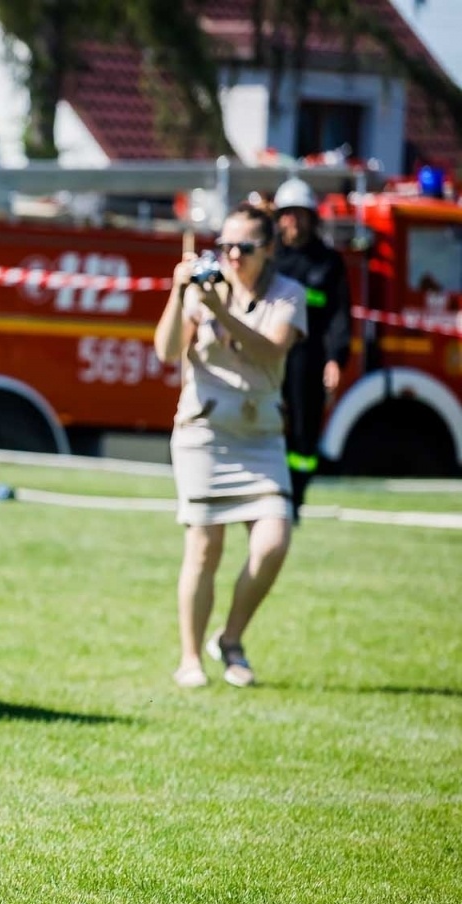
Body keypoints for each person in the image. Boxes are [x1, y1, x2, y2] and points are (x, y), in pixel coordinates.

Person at [154, 205, 307, 689]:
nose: (232, 256)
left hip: (260, 436)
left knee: (273, 542)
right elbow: (165, 350)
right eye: (225, 247)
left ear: (268, 250)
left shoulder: (288, 295)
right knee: (204, 547)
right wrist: (181, 296)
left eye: (243, 247)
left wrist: (221, 314)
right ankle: (190, 658)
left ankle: (231, 638)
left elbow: (271, 349)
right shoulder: (204, 288)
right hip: (205, 433)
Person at [271, 177, 351, 516]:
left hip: (309, 357)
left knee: (305, 431)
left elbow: (339, 317)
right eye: (287, 214)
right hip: (271, 354)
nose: (293, 221)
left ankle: (297, 496)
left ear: (312, 218)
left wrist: (335, 359)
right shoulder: (269, 257)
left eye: (300, 214)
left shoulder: (328, 263)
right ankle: (270, 493)